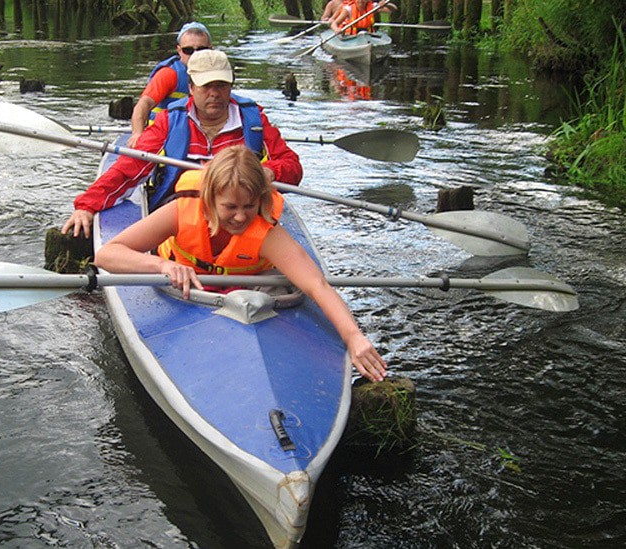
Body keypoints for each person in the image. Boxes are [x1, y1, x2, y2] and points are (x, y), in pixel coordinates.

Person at [94, 146, 387, 383]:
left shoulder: (266, 232)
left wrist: (354, 337)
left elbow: (316, 285)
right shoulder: (181, 212)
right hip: (183, 293)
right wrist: (162, 267)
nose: (239, 217)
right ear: (211, 199)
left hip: (245, 297)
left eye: (248, 206)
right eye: (230, 207)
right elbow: (107, 255)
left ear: (259, 201)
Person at [62, 50, 303, 240]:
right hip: (184, 213)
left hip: (242, 215)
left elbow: (293, 168)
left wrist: (268, 172)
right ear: (190, 88)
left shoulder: (253, 121)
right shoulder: (170, 121)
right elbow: (129, 168)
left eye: (221, 85)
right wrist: (86, 206)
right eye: (206, 86)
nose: (215, 93)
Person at [127, 22, 212, 147]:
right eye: (188, 50)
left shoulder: (218, 73)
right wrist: (137, 134)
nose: (195, 55)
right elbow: (143, 105)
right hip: (165, 135)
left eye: (201, 50)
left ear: (211, 49)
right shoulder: (169, 74)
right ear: (179, 51)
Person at [330, 0, 397, 35]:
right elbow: (334, 24)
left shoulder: (373, 7)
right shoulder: (349, 9)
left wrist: (386, 4)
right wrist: (336, 29)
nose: (361, 1)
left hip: (368, 35)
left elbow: (393, 9)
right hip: (351, 36)